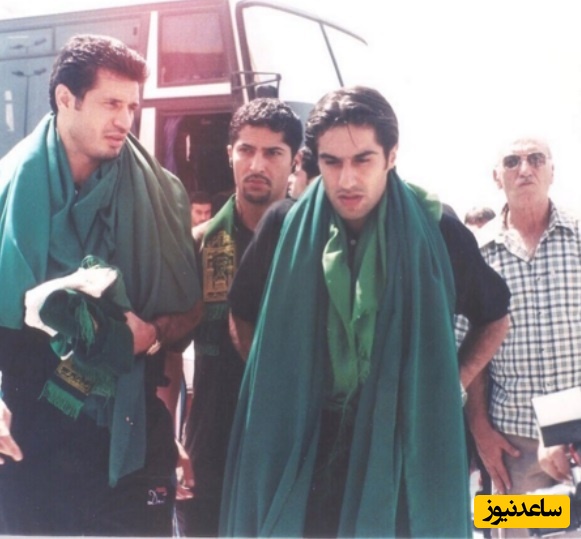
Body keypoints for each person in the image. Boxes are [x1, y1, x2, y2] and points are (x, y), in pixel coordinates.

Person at [221, 86, 510, 538]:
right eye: (332, 162)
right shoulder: (284, 226)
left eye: (363, 160)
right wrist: (276, 383)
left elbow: (494, 316)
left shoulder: (437, 228)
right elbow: (240, 311)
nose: (347, 180)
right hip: (308, 445)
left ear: (391, 156)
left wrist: (448, 382)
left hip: (405, 442)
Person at [0, 34, 202, 536]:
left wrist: (151, 336)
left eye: (132, 106)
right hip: (31, 433)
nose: (125, 120)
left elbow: (189, 311)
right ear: (65, 98)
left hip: (129, 430)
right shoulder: (9, 188)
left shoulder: (160, 192)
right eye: (111, 104)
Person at [177, 97, 302, 537]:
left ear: (295, 160)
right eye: (246, 150)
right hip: (212, 449)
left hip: (295, 448)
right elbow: (170, 354)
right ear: (230, 154)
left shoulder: (320, 247)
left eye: (273, 153)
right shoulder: (198, 244)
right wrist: (171, 441)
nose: (257, 164)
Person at [457, 136, 581, 538]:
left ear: (552, 171)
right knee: (512, 532)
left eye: (536, 159)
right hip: (511, 449)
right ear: (497, 176)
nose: (524, 169)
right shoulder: (476, 252)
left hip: (580, 437)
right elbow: (467, 350)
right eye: (512, 161)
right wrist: (480, 429)